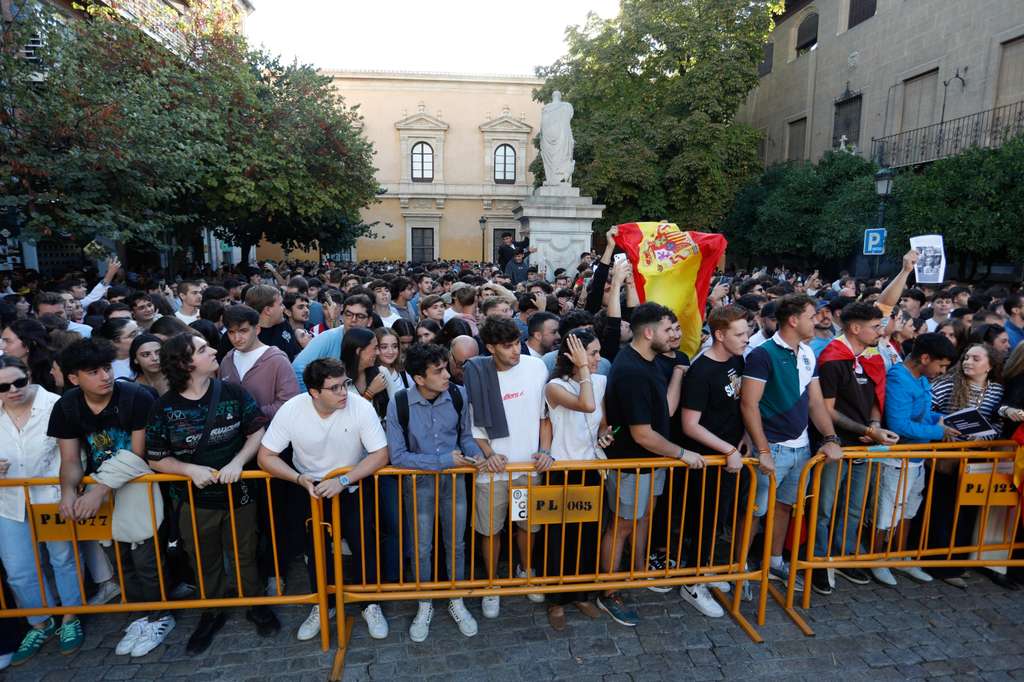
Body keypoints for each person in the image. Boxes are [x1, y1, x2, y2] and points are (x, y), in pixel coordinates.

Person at [145, 332, 277, 653]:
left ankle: (255, 603)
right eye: (203, 349)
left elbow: (256, 430)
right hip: (194, 501)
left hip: (240, 494)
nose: (214, 350)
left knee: (245, 552)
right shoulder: (165, 407)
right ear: (184, 363)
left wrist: (239, 461)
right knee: (205, 559)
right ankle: (213, 610)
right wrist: (188, 470)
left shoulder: (232, 392)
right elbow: (155, 457)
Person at [49, 339, 174, 658]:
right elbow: (71, 459)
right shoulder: (66, 405)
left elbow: (138, 454)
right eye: (94, 371)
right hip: (98, 488)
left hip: (136, 483)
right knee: (118, 559)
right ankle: (142, 615)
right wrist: (67, 492)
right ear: (75, 378)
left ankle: (161, 616)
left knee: (146, 556)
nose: (105, 376)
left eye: (106, 368)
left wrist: (97, 490)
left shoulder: (135, 396)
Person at [257, 358, 391, 641]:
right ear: (314, 392)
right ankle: (324, 604)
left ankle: (370, 604)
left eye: (345, 384)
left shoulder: (360, 407)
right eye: (334, 388)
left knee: (363, 544)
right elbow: (265, 457)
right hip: (310, 489)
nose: (343, 392)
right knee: (314, 551)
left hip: (352, 485)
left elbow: (381, 454)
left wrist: (344, 480)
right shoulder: (292, 410)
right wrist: (298, 478)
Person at [600, 303, 705, 627]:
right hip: (632, 464)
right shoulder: (631, 369)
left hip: (652, 460)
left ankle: (639, 571)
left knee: (642, 518)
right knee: (621, 527)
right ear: (648, 333)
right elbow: (643, 434)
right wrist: (681, 454)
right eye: (666, 329)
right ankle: (608, 591)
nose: (674, 336)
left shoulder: (649, 361)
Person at [741, 294, 842, 591]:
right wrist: (762, 450)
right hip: (772, 447)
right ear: (794, 320)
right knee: (754, 512)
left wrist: (830, 436)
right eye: (812, 316)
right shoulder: (762, 354)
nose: (818, 321)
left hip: (802, 449)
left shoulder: (809, 353)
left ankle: (773, 562)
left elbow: (815, 403)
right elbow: (749, 405)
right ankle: (740, 570)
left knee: (785, 507)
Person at [385, 343, 481, 641]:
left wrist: (476, 455)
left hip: (454, 483)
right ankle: (424, 603)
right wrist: (442, 461)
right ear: (419, 378)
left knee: (457, 544)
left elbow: (466, 436)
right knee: (421, 548)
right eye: (438, 371)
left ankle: (457, 598)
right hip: (419, 485)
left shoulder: (457, 394)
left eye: (445, 367)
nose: (446, 375)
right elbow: (398, 456)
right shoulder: (399, 403)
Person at [811, 303, 901, 596]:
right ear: (855, 328)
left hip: (865, 444)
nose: (882, 331)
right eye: (876, 327)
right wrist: (866, 430)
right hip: (834, 445)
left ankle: (846, 555)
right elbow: (827, 411)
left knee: (854, 507)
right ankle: (819, 562)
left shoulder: (873, 355)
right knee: (824, 508)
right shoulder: (831, 358)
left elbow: (877, 394)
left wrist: (873, 425)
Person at [464, 316, 551, 619]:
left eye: (517, 343)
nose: (516, 351)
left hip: (529, 466)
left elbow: (544, 417)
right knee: (490, 530)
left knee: (529, 526)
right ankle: (491, 583)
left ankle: (526, 570)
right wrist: (488, 454)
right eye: (507, 346)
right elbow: (473, 425)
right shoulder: (476, 372)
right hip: (493, 470)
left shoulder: (536, 367)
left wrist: (545, 450)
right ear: (490, 347)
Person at [0, 357, 85, 665]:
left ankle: (71, 617)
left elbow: (75, 454)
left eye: (18, 382)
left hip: (50, 496)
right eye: (3, 386)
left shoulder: (55, 405)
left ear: (29, 376)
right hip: (8, 500)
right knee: (18, 570)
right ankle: (39, 621)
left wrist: (68, 491)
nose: (12, 390)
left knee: (63, 558)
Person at [679, 305, 750, 615]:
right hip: (707, 461)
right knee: (704, 521)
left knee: (719, 520)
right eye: (740, 333)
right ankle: (692, 584)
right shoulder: (701, 372)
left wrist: (744, 438)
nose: (747, 338)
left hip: (731, 455)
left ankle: (706, 570)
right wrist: (728, 450)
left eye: (747, 332)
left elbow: (740, 402)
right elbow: (690, 425)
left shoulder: (737, 359)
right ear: (720, 335)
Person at [541, 331, 611, 630]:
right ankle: (556, 601)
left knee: (587, 537)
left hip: (591, 468)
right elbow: (586, 406)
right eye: (592, 354)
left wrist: (604, 436)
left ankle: (582, 594)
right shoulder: (554, 386)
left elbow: (600, 421)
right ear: (573, 356)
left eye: (597, 353)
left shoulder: (600, 381)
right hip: (561, 472)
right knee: (558, 541)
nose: (597, 359)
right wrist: (583, 370)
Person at [882, 333, 959, 588]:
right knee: (887, 513)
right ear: (925, 358)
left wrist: (943, 419)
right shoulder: (899, 377)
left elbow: (922, 415)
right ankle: (877, 559)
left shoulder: (922, 377)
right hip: (898, 459)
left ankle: (900, 556)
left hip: (917, 458)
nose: (942, 371)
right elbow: (899, 424)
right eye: (941, 365)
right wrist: (939, 431)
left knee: (907, 511)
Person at [927, 342, 1006, 589]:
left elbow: (999, 424)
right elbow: (926, 409)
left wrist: (983, 436)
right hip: (947, 457)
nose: (968, 362)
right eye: (966, 357)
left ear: (990, 365)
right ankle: (938, 563)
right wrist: (940, 426)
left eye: (976, 358)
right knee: (943, 510)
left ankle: (957, 561)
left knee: (967, 513)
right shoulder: (947, 383)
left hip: (977, 458)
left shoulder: (997, 391)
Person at [291, 294, 374, 391]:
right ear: (342, 316)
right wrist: (313, 399)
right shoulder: (328, 338)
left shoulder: (373, 341)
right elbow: (297, 370)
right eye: (348, 314)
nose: (353, 320)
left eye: (360, 316)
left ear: (369, 321)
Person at [244, 284, 302, 361]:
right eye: (281, 304)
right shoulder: (250, 338)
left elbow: (296, 354)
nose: (284, 308)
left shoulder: (284, 324)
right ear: (268, 310)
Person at [1, 319, 57, 393]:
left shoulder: (54, 371)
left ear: (28, 344)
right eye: (2, 341)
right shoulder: (2, 369)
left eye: (8, 341)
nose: (2, 347)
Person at [375, 327, 410, 398]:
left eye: (394, 346)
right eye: (384, 347)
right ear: (375, 348)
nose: (391, 351)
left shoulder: (402, 371)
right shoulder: (371, 375)